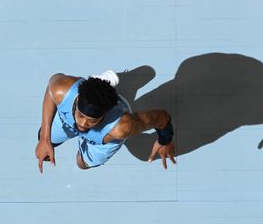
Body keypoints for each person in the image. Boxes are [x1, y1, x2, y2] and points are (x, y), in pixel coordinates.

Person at [35, 71, 176, 171]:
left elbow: (161, 117)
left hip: (103, 136)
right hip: (68, 120)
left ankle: (105, 84)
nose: (83, 124)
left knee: (81, 163)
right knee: (44, 136)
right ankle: (102, 82)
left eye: (91, 120)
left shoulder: (122, 127)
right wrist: (44, 139)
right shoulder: (62, 89)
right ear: (77, 100)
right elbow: (50, 89)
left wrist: (165, 140)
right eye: (81, 115)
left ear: (106, 114)